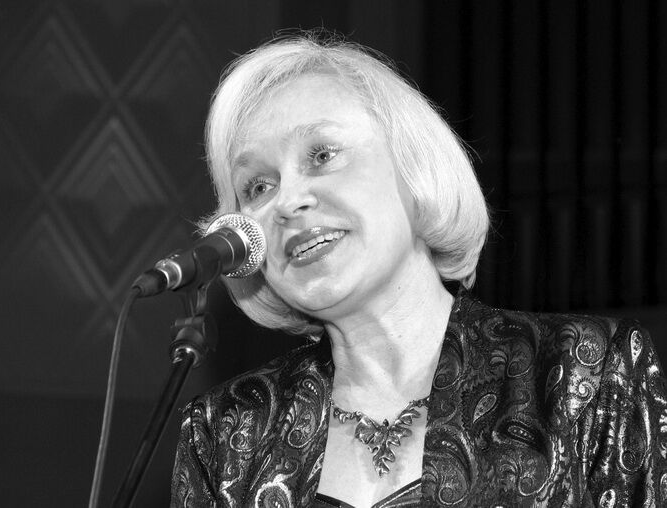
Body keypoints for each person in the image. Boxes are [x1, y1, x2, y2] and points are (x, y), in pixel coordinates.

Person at [170, 32, 667, 507]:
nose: (287, 201)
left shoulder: (583, 373)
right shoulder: (225, 432)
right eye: (258, 186)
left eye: (321, 155)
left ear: (415, 169)